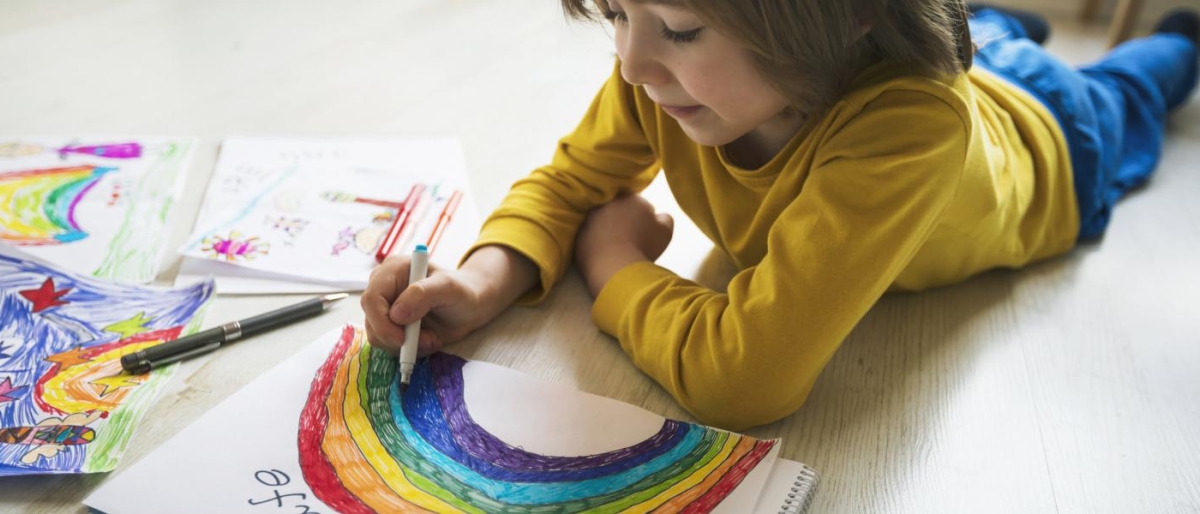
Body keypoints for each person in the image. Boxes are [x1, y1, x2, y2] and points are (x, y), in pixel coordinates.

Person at [363, 0, 1199, 430]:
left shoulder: (911, 129)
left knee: (1129, 88)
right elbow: (570, 181)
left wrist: (616, 268)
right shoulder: (660, 75)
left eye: (682, 27)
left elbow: (744, 379)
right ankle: (1005, 24)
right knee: (990, 34)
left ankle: (1176, 47)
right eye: (617, 12)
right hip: (942, 61)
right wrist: (475, 282)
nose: (630, 59)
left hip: (1051, 141)